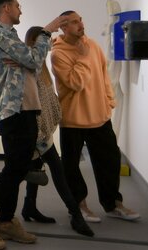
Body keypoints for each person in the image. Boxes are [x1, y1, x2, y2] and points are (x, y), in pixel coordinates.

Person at [0, 0, 67, 250]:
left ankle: (6, 221)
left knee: (16, 169)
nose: (21, 10)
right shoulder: (0, 35)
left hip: (23, 110)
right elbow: (34, 60)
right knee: (14, 170)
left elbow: (30, 62)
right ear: (6, 8)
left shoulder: (9, 35)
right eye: (18, 6)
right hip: (15, 113)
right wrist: (45, 32)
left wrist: (26, 60)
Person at [50, 11, 141, 222]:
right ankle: (79, 205)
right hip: (73, 120)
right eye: (74, 22)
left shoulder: (93, 46)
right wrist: (82, 57)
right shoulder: (58, 54)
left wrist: (109, 101)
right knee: (71, 166)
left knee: (110, 161)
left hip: (100, 117)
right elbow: (76, 83)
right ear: (63, 27)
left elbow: (103, 75)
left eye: (80, 20)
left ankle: (113, 204)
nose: (81, 24)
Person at [19, 26, 95, 237]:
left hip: (41, 131)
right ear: (34, 43)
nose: (50, 44)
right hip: (36, 131)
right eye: (45, 41)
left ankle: (29, 207)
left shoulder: (41, 67)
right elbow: (34, 103)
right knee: (57, 170)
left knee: (36, 168)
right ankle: (76, 214)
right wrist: (40, 131)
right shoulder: (31, 68)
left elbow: (46, 99)